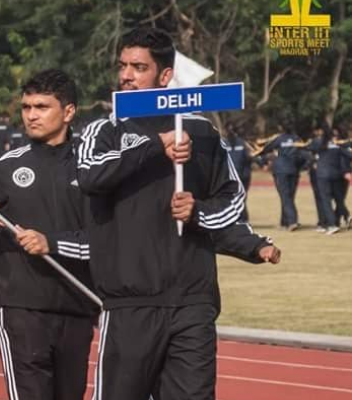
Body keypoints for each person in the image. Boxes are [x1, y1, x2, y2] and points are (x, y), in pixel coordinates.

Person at [76, 27, 281, 400]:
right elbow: (91, 175)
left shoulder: (202, 132)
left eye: (138, 67)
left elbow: (232, 199)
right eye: (122, 66)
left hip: (193, 303)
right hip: (130, 302)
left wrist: (198, 212)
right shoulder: (102, 130)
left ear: (165, 76)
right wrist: (156, 147)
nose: (126, 75)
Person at [0, 69, 99, 400]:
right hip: (20, 306)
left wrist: (52, 242)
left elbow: (106, 240)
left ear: (68, 112)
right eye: (27, 107)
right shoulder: (3, 168)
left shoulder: (94, 165)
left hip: (78, 304)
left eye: (42, 107)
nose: (31, 115)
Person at [255, 124, 305, 231]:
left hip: (281, 171)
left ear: (281, 127)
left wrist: (262, 160)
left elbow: (266, 148)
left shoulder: (279, 138)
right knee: (289, 197)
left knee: (285, 196)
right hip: (294, 170)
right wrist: (300, 167)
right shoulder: (297, 138)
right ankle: (284, 222)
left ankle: (292, 221)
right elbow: (304, 154)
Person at [305, 123, 351, 235]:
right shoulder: (337, 144)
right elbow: (348, 155)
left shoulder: (318, 142)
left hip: (323, 175)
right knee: (338, 198)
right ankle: (345, 215)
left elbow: (307, 147)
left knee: (325, 200)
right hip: (336, 175)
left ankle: (331, 225)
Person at [224, 122, 253, 222]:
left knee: (240, 198)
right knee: (235, 198)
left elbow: (250, 158)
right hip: (232, 177)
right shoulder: (223, 143)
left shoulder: (242, 143)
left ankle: (242, 220)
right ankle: (238, 219)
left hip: (242, 176)